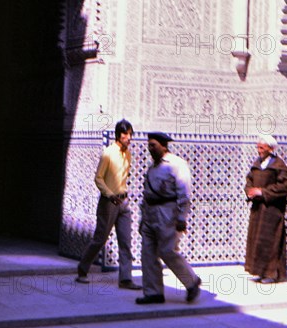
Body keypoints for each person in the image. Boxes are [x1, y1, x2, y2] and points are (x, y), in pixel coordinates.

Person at [136, 132, 201, 304]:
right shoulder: (152, 168)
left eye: (154, 145)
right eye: (149, 145)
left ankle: (191, 281)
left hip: (167, 213)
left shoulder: (176, 165)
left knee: (167, 251)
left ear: (164, 146)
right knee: (148, 254)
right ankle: (153, 292)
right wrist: (142, 218)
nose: (150, 149)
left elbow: (184, 193)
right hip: (150, 214)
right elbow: (146, 194)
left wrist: (182, 217)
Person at [75, 119, 141, 290]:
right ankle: (82, 269)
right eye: (126, 134)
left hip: (123, 202)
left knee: (125, 241)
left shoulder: (128, 153)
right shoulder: (108, 153)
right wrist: (110, 194)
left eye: (130, 134)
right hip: (108, 202)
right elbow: (98, 178)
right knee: (100, 238)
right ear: (119, 135)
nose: (129, 138)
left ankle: (125, 278)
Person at [244, 135, 287, 283]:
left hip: (272, 210)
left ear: (271, 149)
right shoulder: (257, 163)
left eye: (262, 148)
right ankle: (259, 271)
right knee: (257, 240)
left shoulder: (279, 165)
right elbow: (249, 180)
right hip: (258, 209)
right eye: (258, 147)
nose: (259, 150)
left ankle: (272, 274)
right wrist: (250, 191)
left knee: (271, 240)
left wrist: (263, 192)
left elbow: (284, 187)